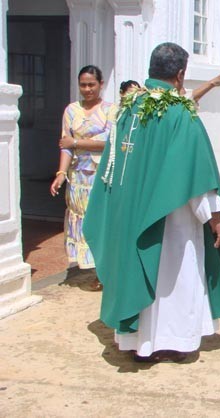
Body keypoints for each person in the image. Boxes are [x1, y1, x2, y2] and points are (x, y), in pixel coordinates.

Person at [83, 42, 220, 363]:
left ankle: (139, 344)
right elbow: (196, 172)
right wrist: (214, 216)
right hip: (174, 220)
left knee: (138, 270)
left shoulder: (127, 109)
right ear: (181, 74)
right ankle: (178, 342)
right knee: (176, 277)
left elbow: (112, 167)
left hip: (132, 213)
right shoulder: (180, 114)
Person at [49, 65, 116, 292]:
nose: (87, 89)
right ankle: (95, 269)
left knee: (100, 221)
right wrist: (60, 173)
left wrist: (76, 143)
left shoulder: (110, 110)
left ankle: (105, 272)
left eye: (91, 85)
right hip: (78, 178)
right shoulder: (71, 110)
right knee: (81, 220)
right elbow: (64, 146)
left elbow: (110, 142)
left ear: (101, 84)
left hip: (101, 176)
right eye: (83, 85)